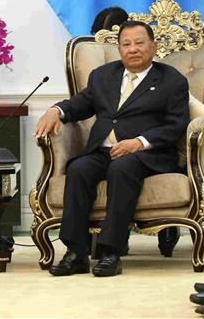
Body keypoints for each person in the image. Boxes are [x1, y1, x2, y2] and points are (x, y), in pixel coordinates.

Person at [35, 20, 190, 277]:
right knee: (80, 168)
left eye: (139, 43)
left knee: (121, 168)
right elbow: (80, 104)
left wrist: (139, 142)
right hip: (103, 151)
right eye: (126, 44)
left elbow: (177, 125)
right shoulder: (103, 76)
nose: (133, 49)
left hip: (148, 154)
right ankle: (76, 253)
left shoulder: (171, 80)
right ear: (119, 49)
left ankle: (110, 253)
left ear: (153, 47)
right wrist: (56, 110)